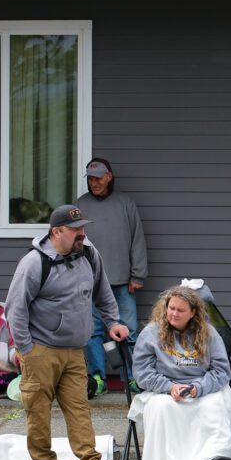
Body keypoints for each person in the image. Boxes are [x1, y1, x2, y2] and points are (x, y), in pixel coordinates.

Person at [5, 204, 129, 460]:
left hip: (75, 349)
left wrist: (113, 322)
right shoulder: (34, 263)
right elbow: (15, 309)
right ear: (56, 232)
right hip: (40, 349)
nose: (82, 234)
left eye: (82, 228)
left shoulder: (88, 254)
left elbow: (103, 291)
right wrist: (26, 349)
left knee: (79, 407)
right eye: (75, 230)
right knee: (38, 410)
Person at [131, 283, 231, 460]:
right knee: (163, 407)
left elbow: (221, 371)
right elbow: (142, 372)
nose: (173, 314)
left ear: (193, 313)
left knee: (213, 405)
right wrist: (169, 387)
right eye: (171, 308)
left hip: (201, 386)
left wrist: (198, 388)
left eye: (180, 310)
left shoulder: (208, 333)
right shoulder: (151, 332)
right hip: (163, 388)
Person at [77, 157, 148, 395]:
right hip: (90, 284)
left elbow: (137, 240)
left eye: (98, 178)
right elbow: (71, 244)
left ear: (109, 177)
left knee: (129, 330)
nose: (94, 183)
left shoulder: (125, 204)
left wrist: (137, 275)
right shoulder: (80, 207)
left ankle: (133, 377)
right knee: (92, 332)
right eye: (90, 179)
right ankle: (98, 378)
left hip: (122, 282)